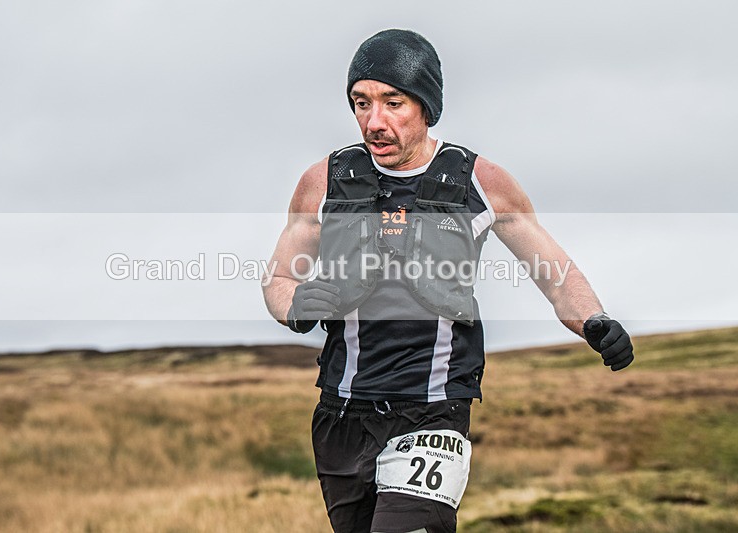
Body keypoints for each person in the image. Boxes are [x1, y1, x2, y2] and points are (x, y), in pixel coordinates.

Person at [262, 29, 634, 533]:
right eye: (361, 103)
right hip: (341, 413)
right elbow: (279, 277)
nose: (375, 121)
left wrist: (594, 320)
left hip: (434, 411)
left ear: (426, 105)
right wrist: (296, 304)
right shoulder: (324, 180)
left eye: (393, 102)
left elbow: (554, 272)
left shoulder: (479, 181)